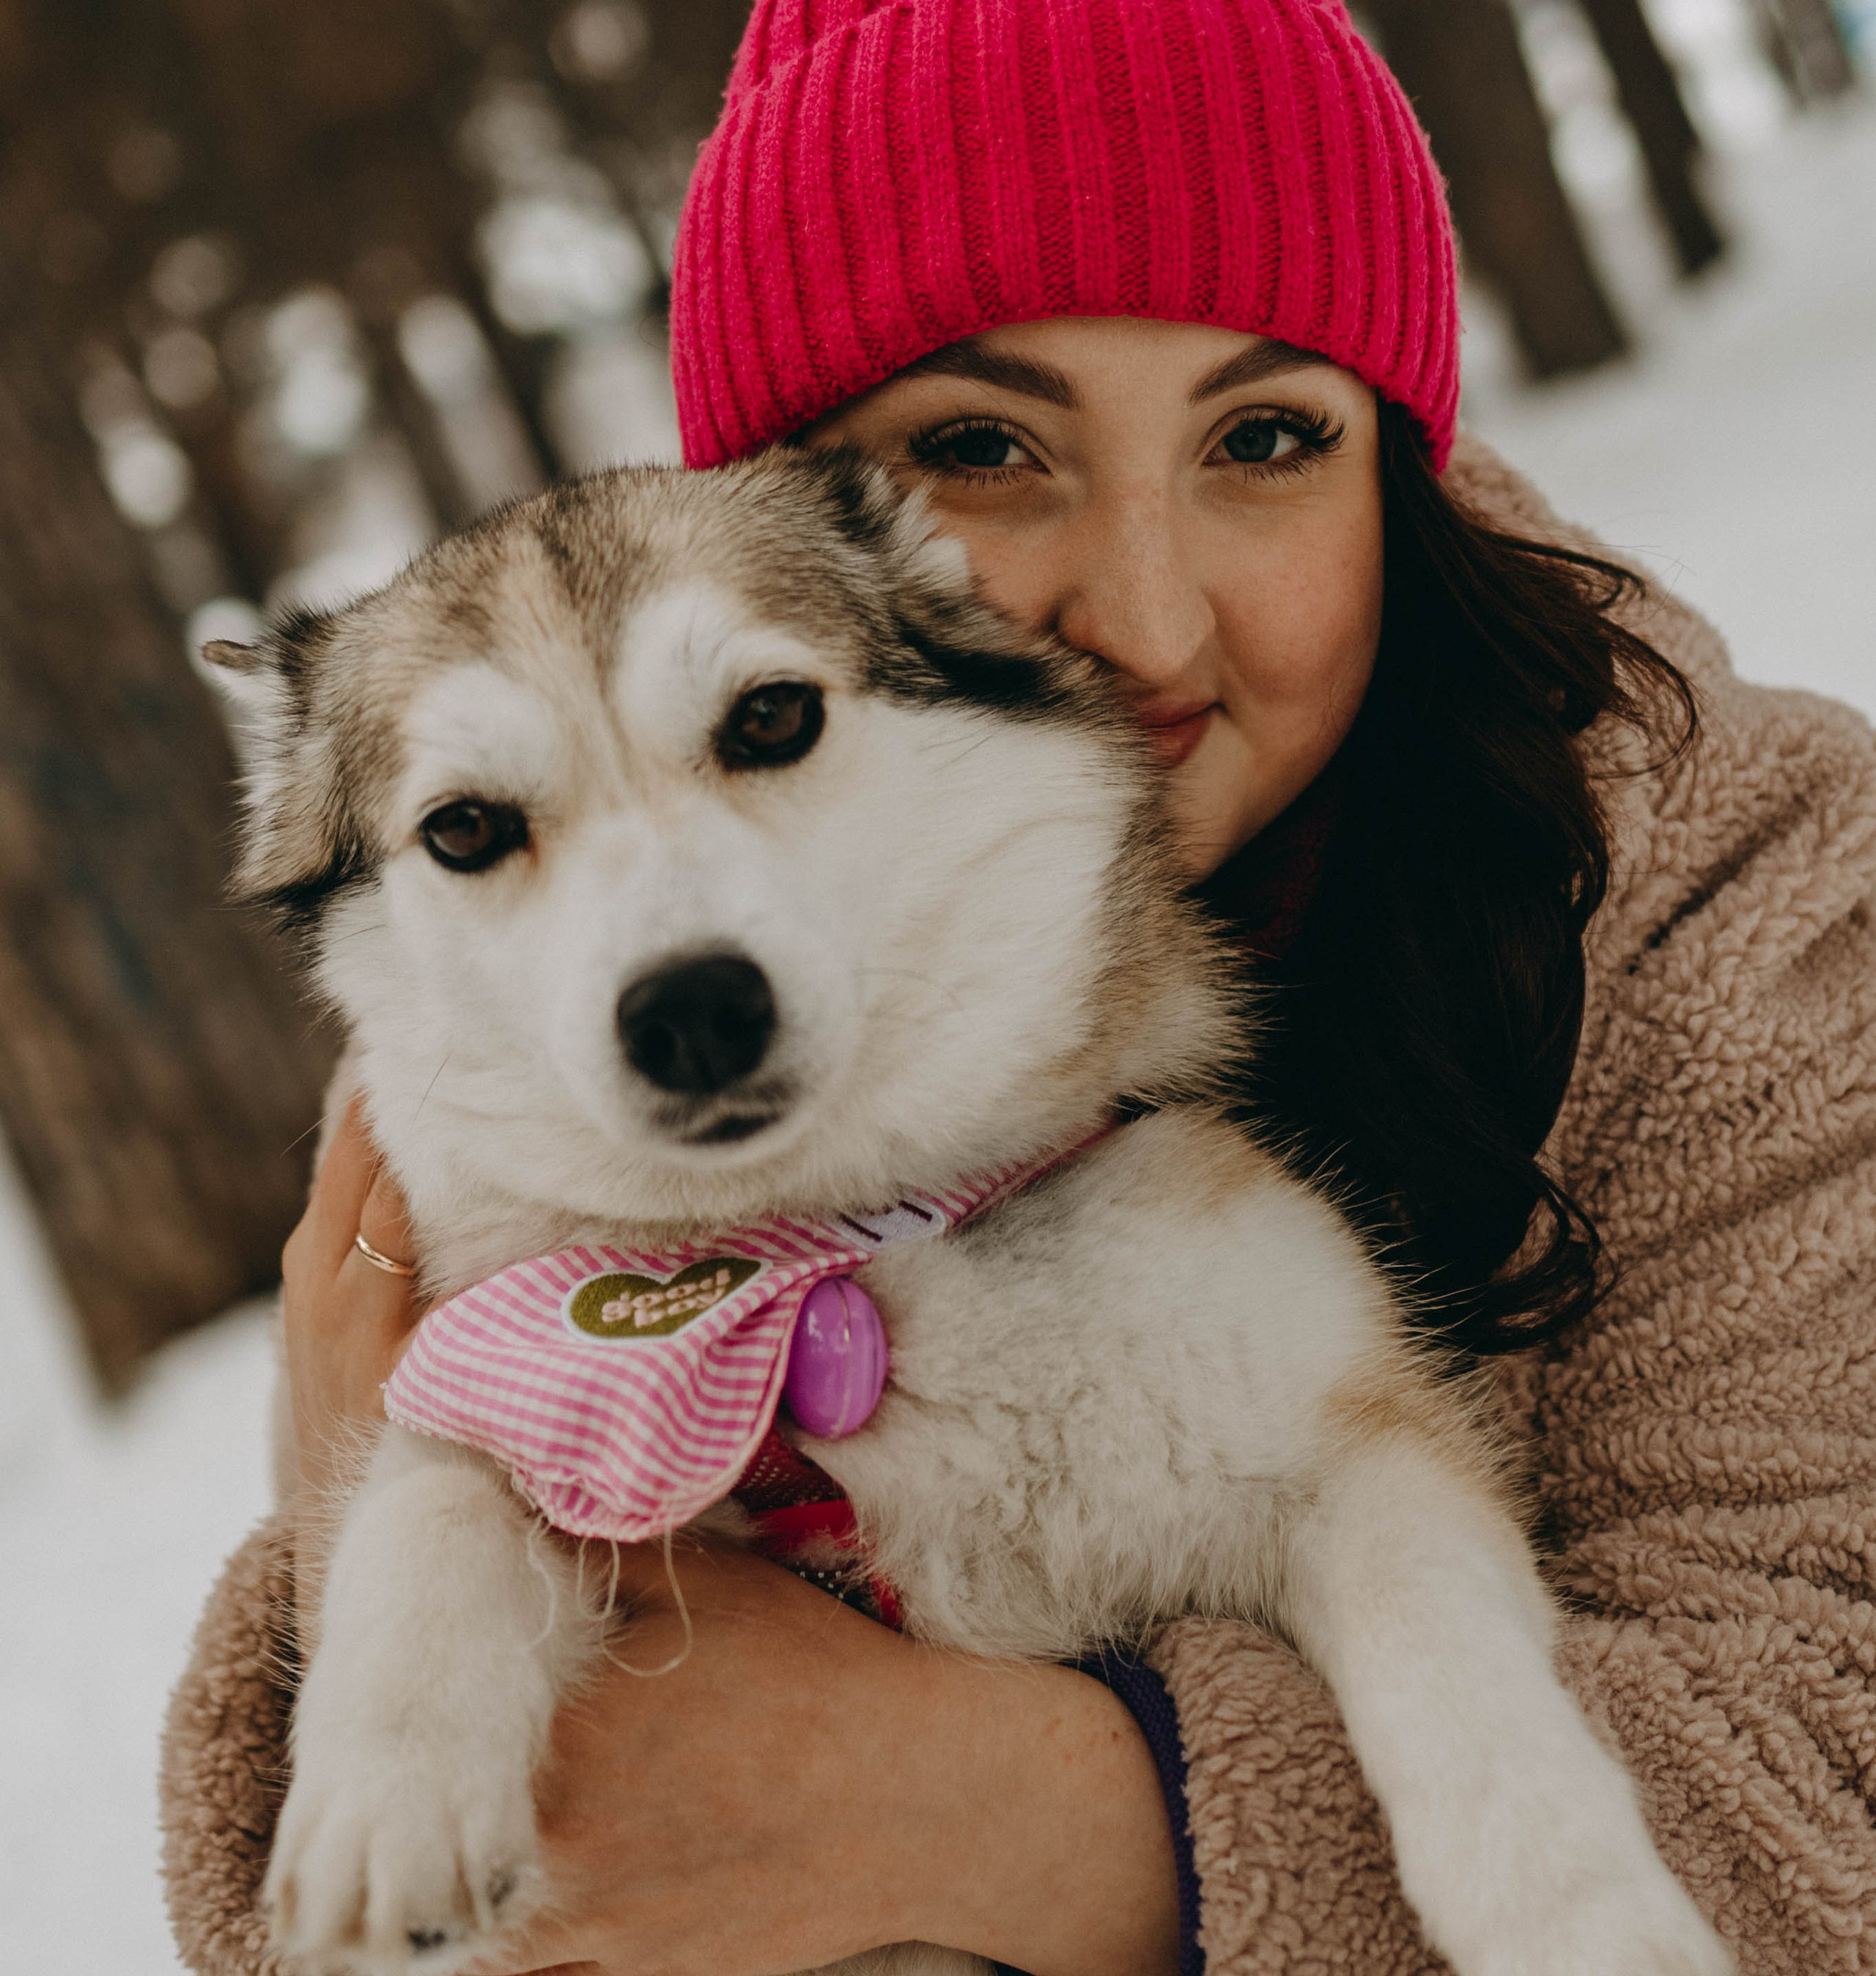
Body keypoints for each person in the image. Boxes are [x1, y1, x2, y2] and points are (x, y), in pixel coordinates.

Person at [160, 1, 1876, 1972]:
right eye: (983, 446)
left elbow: (1837, 1769)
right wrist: (361, 1529)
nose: (1144, 621)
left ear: (1400, 461)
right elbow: (340, 1919)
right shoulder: (471, 1112)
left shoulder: (1753, 892)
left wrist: (1056, 1821)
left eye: (1268, 439)